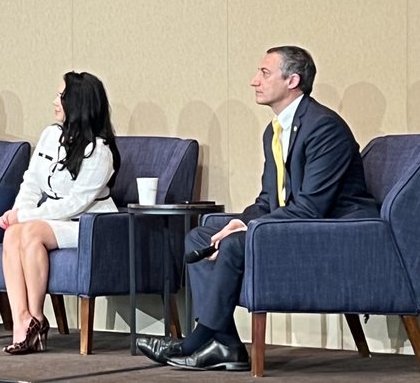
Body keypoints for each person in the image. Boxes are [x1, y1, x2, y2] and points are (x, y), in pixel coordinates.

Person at [137, 46, 378, 371]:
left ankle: (196, 340)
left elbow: (311, 207)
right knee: (201, 237)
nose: (254, 81)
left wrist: (248, 229)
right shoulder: (274, 131)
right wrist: (240, 221)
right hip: (299, 226)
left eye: (264, 73)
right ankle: (227, 347)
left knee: (236, 244)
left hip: (334, 235)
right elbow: (268, 201)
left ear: (292, 80)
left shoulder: (324, 129)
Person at [0, 71, 120, 355]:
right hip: (50, 219)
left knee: (28, 230)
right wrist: (17, 212)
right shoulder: (50, 135)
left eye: (61, 96)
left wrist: (26, 218)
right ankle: (22, 322)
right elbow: (31, 181)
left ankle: (38, 317)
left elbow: (74, 204)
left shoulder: (100, 152)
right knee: (13, 234)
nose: (55, 101)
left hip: (88, 224)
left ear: (78, 102)